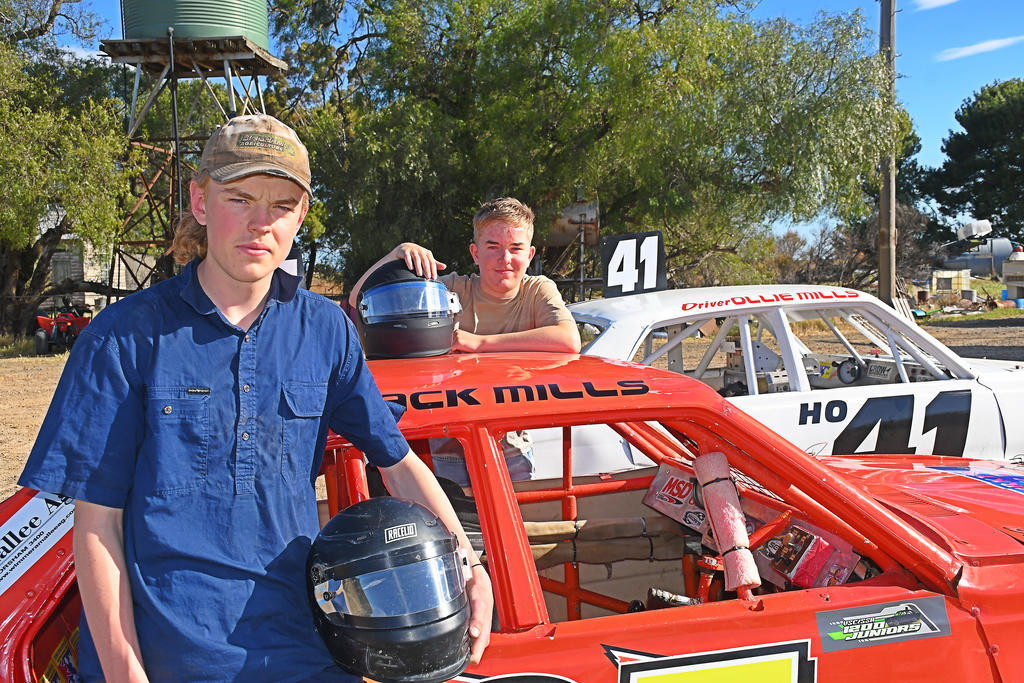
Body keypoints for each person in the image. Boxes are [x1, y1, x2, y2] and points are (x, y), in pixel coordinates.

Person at [18, 114, 491, 682]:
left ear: (302, 217)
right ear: (199, 201)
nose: (260, 224)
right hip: (170, 658)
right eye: (239, 199)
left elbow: (398, 462)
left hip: (304, 650)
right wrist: (125, 672)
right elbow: (97, 526)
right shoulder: (122, 337)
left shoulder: (324, 330)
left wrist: (469, 566)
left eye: (281, 205)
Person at [349, 197, 581, 483]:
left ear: (530, 254)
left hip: (510, 452)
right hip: (446, 447)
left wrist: (478, 343)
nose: (504, 259)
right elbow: (358, 297)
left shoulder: (537, 291)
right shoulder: (449, 289)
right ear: (475, 252)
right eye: (493, 247)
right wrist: (397, 253)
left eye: (515, 249)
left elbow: (568, 339)